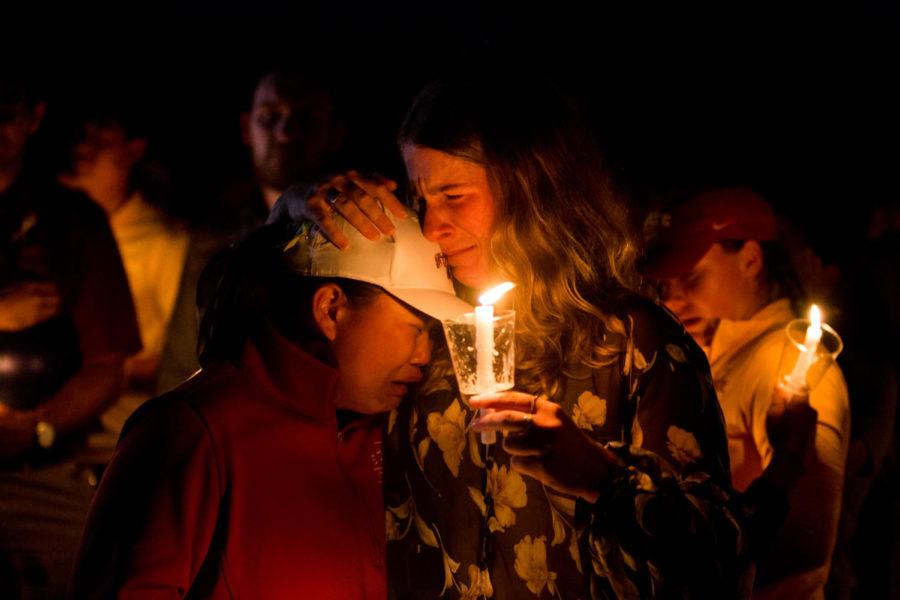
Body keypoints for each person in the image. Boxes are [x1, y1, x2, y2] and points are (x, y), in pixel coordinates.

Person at [275, 74, 749, 598]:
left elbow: (722, 557)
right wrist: (293, 211)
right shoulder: (418, 331)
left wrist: (602, 480)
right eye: (421, 198)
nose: (433, 227)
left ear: (531, 186)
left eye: (454, 196)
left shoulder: (636, 345)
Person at [68, 205, 470, 598]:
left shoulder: (381, 426)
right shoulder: (192, 429)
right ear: (330, 308)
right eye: (415, 328)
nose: (424, 354)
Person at [644, 187, 851, 599]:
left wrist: (682, 576)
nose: (674, 300)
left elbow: (806, 541)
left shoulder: (794, 367)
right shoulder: (721, 353)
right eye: (665, 286)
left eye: (692, 278)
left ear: (752, 259)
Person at [1, 75, 141, 598]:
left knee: (92, 574)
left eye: (7, 112)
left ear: (33, 118)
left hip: (39, 475)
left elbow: (108, 364)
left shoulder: (72, 220)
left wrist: (36, 427)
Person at [155, 68, 346, 395]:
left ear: (334, 132)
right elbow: (183, 360)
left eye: (307, 118)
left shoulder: (357, 230)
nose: (286, 132)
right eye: (270, 117)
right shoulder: (213, 237)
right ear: (246, 128)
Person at [58, 105, 190, 454]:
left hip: (120, 439)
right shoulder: (54, 229)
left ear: (135, 148)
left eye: (102, 133)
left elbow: (184, 360)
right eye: (81, 134)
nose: (85, 146)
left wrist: (106, 372)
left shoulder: (164, 242)